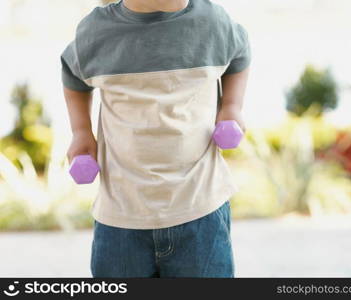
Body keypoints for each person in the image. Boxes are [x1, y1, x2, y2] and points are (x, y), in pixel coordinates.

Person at [61, 0, 251, 278]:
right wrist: (80, 131)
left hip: (200, 211)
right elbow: (72, 75)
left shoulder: (211, 21)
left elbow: (240, 53)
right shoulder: (95, 31)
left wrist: (232, 106)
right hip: (120, 218)